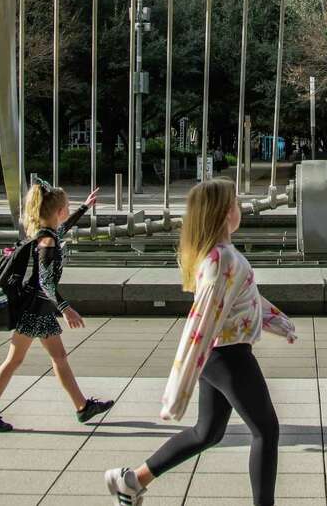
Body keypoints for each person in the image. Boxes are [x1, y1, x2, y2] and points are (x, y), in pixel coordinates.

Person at [105, 179, 296, 506]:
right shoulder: (222, 259)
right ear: (224, 213)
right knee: (266, 430)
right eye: (235, 203)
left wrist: (277, 321)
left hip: (220, 354)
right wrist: (179, 388)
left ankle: (131, 481)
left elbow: (244, 298)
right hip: (227, 356)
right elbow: (202, 321)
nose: (240, 209)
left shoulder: (218, 255)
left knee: (207, 432)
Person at [0, 181, 115, 432]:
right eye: (68, 207)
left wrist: (84, 208)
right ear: (58, 211)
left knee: (54, 358)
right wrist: (66, 308)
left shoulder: (47, 235)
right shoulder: (47, 242)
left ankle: (82, 407)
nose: (68, 211)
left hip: (38, 309)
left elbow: (64, 230)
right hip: (35, 310)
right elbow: (46, 282)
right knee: (18, 360)